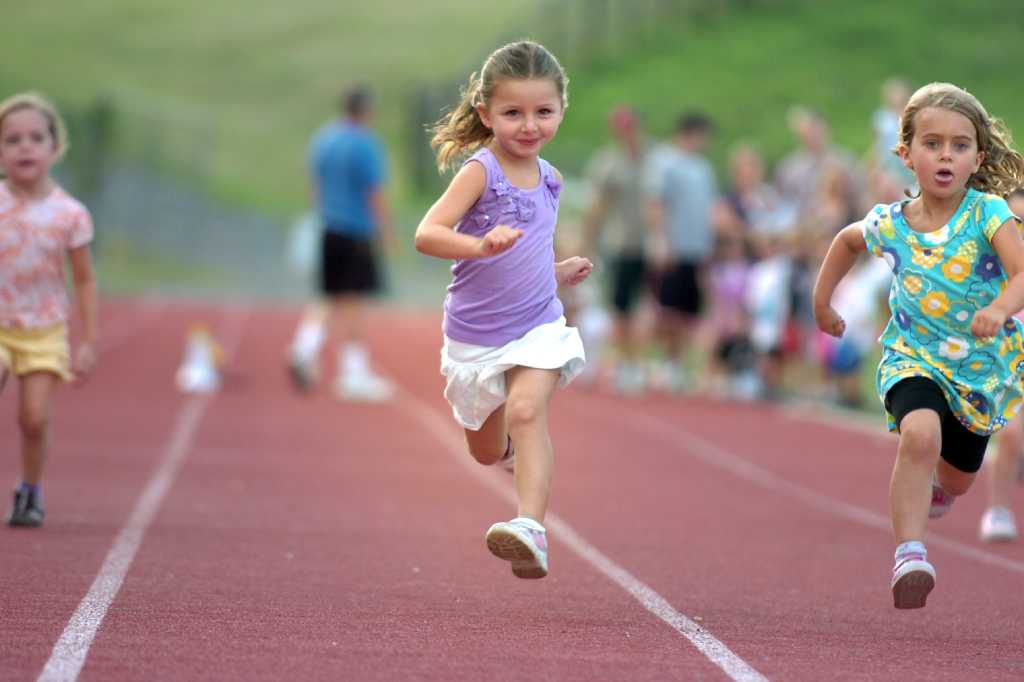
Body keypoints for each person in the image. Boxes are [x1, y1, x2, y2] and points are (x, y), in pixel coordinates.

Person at [813, 82, 1024, 609]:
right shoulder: (892, 223)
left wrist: (1000, 309)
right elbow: (846, 241)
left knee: (959, 480)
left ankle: (939, 489)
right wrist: (822, 302)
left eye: (959, 145)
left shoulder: (988, 213)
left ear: (978, 158)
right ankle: (910, 554)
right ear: (906, 154)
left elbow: (1021, 271)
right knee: (920, 434)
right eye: (932, 144)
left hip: (978, 371)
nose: (945, 155)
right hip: (913, 358)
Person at [414, 41, 592, 579]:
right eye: (513, 113)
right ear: (486, 113)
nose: (530, 126)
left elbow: (528, 252)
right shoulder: (481, 171)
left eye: (544, 112)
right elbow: (427, 234)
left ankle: (530, 528)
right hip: (474, 337)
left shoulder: (552, 179)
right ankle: (512, 449)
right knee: (487, 452)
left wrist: (555, 274)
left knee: (526, 410)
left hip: (537, 325)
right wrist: (479, 246)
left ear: (561, 109)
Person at [0, 93, 99, 527]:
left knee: (35, 419)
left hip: (44, 329)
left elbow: (85, 280)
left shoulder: (70, 214)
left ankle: (30, 490)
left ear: (54, 149)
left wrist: (89, 340)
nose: (24, 147)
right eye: (12, 139)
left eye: (35, 138)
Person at [287, 84, 397, 401]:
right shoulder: (365, 144)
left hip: (328, 227)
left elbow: (315, 185)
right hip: (356, 232)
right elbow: (374, 193)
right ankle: (353, 373)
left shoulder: (324, 139)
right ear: (367, 110)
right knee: (354, 302)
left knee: (330, 295)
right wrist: (386, 232)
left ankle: (304, 347)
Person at [579, 105, 651, 394]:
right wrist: (588, 241)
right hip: (620, 243)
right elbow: (597, 206)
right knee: (621, 308)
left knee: (645, 308)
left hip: (649, 243)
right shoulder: (608, 163)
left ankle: (637, 363)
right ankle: (624, 364)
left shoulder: (654, 160)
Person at [646, 111, 718, 392]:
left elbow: (708, 210)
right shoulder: (665, 161)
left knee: (689, 311)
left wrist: (708, 247)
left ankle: (677, 363)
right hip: (673, 247)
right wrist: (661, 240)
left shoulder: (703, 168)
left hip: (695, 248)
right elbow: (656, 203)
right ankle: (662, 360)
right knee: (668, 310)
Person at [978, 186, 1024, 542]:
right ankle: (998, 509)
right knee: (1009, 434)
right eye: (1016, 221)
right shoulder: (988, 258)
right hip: (1001, 353)